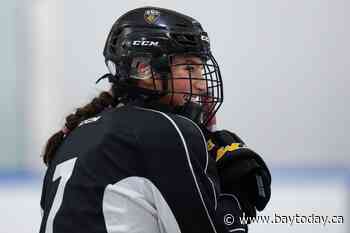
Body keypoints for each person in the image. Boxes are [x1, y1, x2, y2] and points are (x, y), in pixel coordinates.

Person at [39, 7, 271, 233]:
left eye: (202, 70)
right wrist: (232, 202)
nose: (201, 83)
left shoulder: (73, 135)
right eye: (190, 68)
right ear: (143, 69)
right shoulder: (168, 131)